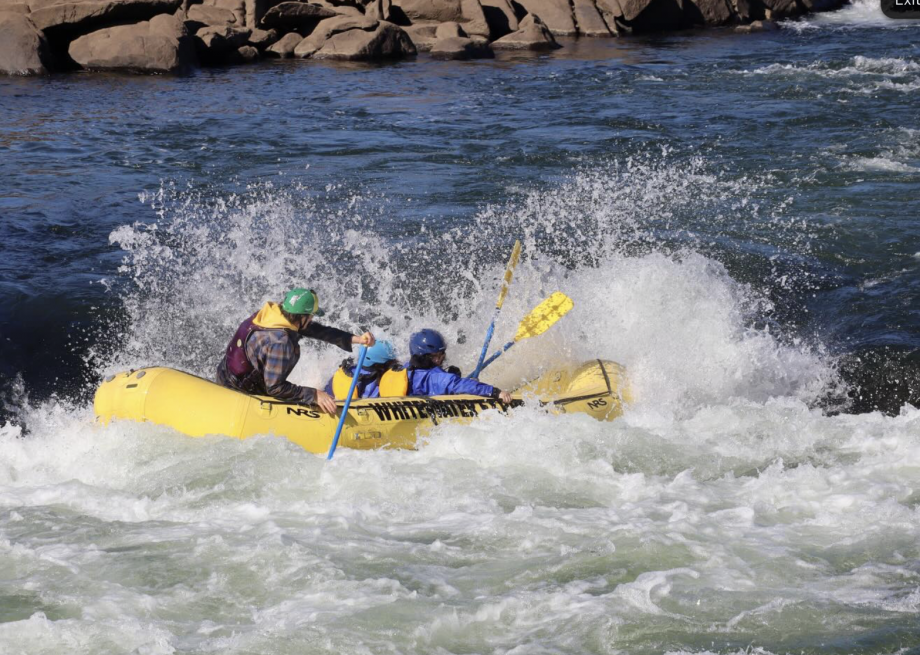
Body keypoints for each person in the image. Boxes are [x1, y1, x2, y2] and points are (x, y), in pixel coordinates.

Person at [216, 287, 374, 415]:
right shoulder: (280, 342)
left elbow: (317, 331)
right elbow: (275, 388)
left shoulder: (271, 315)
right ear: (302, 317)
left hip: (224, 375)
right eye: (311, 316)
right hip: (240, 393)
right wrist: (313, 395)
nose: (312, 319)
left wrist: (356, 339)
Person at [406, 329, 512, 403]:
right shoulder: (436, 378)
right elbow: (457, 384)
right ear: (421, 356)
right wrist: (496, 392)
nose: (438, 360)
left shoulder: (404, 369)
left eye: (441, 355)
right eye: (433, 356)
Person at [324, 340, 407, 400]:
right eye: (390, 363)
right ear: (378, 365)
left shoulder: (344, 372)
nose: (393, 366)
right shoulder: (380, 378)